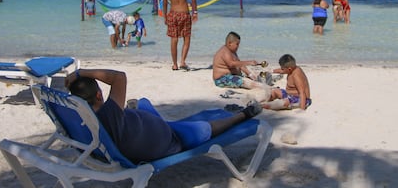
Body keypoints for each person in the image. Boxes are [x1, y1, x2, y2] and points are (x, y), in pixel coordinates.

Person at [65, 68, 262, 163]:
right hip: (169, 138)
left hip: (137, 129)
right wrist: (81, 72)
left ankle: (135, 108)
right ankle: (243, 115)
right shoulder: (109, 112)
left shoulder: (76, 117)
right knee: (206, 128)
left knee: (144, 103)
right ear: (99, 94)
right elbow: (119, 77)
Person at [162, 0, 198, 71]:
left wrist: (165, 16)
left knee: (174, 39)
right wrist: (195, 12)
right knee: (186, 38)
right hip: (185, 14)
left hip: (173, 14)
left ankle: (174, 64)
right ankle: (182, 61)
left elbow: (164, 1)